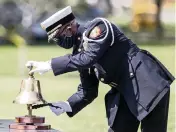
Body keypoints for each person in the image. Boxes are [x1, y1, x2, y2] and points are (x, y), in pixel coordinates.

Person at [26, 6, 175, 132]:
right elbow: (88, 90)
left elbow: (88, 59)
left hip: (147, 85)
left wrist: (50, 64)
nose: (59, 41)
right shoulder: (79, 51)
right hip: (125, 91)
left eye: (59, 36)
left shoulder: (98, 28)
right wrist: (68, 104)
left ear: (69, 28)